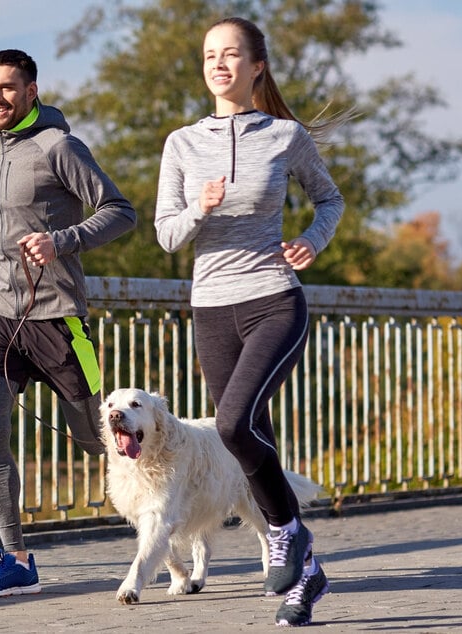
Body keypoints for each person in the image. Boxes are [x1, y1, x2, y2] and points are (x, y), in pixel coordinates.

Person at [154, 17, 347, 627]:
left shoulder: (285, 136)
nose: (219, 64)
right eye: (210, 54)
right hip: (212, 307)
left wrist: (313, 239)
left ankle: (289, 536)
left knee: (233, 425)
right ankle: (304, 578)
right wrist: (198, 208)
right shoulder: (181, 143)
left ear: (256, 65)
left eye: (231, 54)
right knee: (246, 441)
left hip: (273, 299)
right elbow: (165, 236)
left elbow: (330, 198)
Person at [0, 48, 136, 599]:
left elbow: (120, 211)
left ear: (31, 92)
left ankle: (174, 511)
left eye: (7, 88)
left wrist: (61, 241)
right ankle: (16, 557)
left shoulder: (60, 147)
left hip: (57, 318)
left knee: (102, 437)